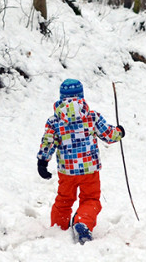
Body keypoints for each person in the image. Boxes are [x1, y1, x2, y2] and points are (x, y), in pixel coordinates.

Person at [36, 78, 125, 243]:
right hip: (89, 170)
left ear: (62, 97)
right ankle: (83, 222)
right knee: (91, 199)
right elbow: (109, 135)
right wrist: (119, 132)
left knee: (64, 200)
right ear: (81, 96)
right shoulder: (92, 117)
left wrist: (43, 161)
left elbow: (48, 142)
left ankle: (58, 228)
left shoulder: (54, 121)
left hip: (67, 171)